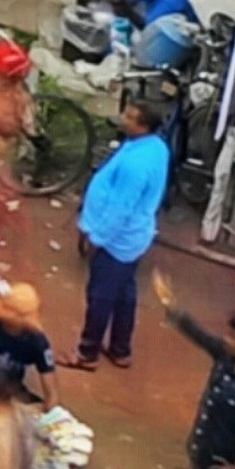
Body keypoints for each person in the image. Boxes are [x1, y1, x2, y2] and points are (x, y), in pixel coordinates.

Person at [73, 125, 170, 370]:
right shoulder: (155, 147)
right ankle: (120, 349)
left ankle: (87, 352)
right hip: (135, 237)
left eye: (130, 116)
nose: (123, 119)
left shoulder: (136, 166)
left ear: (143, 125)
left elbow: (120, 209)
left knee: (100, 296)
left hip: (117, 240)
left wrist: (97, 237)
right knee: (125, 293)